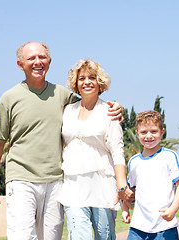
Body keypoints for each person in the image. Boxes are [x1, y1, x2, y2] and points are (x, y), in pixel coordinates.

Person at [0, 42, 122, 240]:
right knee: (22, 236)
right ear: (20, 64)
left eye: (42, 57)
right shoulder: (9, 98)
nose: (38, 62)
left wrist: (117, 107)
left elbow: (90, 103)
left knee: (51, 237)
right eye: (31, 58)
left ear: (49, 62)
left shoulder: (63, 96)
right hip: (21, 179)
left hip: (56, 182)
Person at [57, 59, 132, 240]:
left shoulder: (109, 111)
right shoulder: (67, 110)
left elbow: (117, 151)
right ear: (76, 83)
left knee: (104, 236)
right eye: (82, 78)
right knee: (78, 236)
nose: (87, 82)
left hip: (102, 185)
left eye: (92, 77)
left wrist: (122, 185)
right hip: (73, 184)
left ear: (100, 82)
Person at [122, 110, 179, 240]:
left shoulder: (170, 156)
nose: (149, 136)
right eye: (144, 132)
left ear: (162, 132)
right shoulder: (134, 161)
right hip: (138, 227)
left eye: (153, 131)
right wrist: (125, 208)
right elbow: (130, 190)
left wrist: (173, 209)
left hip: (164, 225)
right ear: (137, 134)